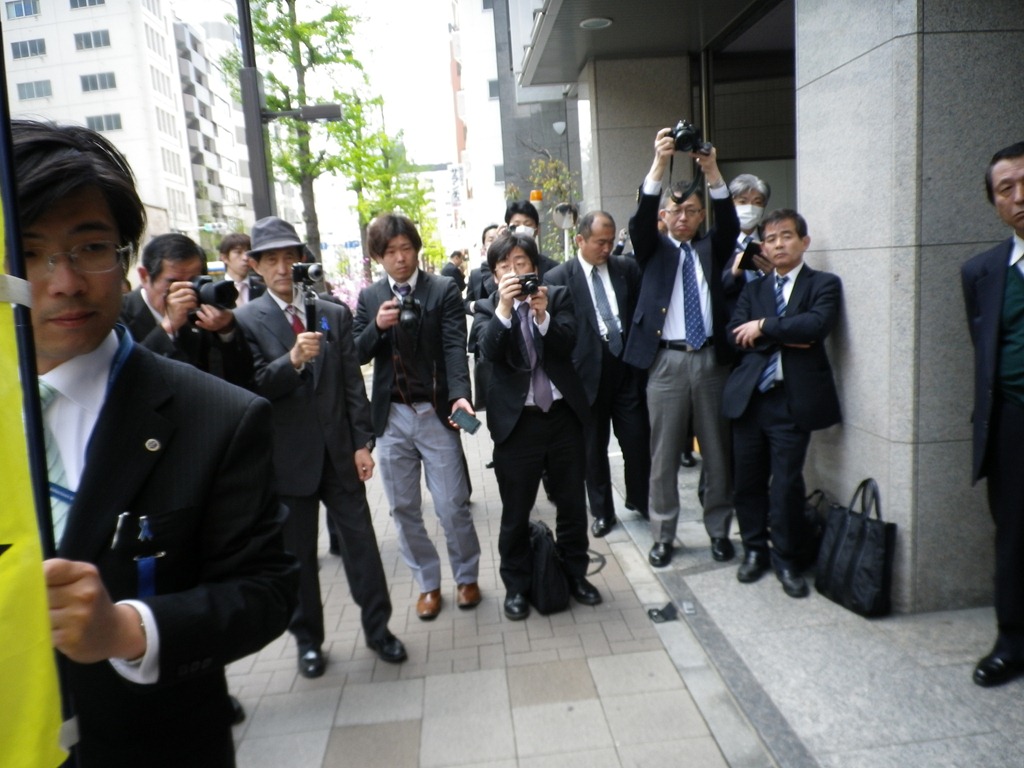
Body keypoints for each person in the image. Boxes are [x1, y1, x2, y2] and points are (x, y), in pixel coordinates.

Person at [16, 119, 298, 767]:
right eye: (28, 252)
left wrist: (126, 630)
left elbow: (266, 591)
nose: (64, 281)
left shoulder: (216, 417)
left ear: (124, 261)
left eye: (90, 247)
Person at [234, 217, 406, 677]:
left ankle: (379, 629)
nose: (281, 267)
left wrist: (363, 441)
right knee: (298, 558)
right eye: (271, 259)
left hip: (340, 452)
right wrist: (291, 360)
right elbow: (251, 388)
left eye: (289, 257)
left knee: (362, 547)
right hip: (288, 460)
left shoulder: (331, 312)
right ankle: (308, 641)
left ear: (301, 261)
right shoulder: (245, 321)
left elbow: (351, 383)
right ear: (256, 266)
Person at [354, 214, 482, 620]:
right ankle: (428, 583)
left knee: (452, 505)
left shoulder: (442, 289)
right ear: (378, 256)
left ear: (416, 249)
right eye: (390, 251)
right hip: (391, 418)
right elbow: (355, 353)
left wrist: (461, 397)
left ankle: (467, 576)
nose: (400, 258)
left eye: (406, 248)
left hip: (435, 412)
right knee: (403, 508)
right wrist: (377, 326)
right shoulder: (370, 297)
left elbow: (454, 347)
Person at [622, 126, 741, 567]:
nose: (684, 218)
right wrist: (660, 161)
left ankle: (719, 530)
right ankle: (663, 535)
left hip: (711, 361)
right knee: (664, 456)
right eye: (676, 211)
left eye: (692, 211)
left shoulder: (712, 248)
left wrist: (711, 170)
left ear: (700, 215)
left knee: (717, 452)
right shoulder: (652, 250)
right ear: (664, 217)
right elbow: (639, 220)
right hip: (666, 364)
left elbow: (731, 222)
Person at [474, 231, 602, 620]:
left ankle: (575, 573)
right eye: (504, 266)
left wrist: (542, 317)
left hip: (563, 417)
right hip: (517, 424)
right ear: (494, 275)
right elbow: (488, 350)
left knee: (571, 503)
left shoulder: (557, 296)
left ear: (535, 267)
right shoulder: (486, 308)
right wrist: (505, 308)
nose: (514, 272)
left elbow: (569, 342)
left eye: (521, 264)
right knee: (516, 510)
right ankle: (516, 585)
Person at [722, 209, 842, 598]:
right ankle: (754, 551)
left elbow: (816, 326)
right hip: (750, 400)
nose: (778, 245)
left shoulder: (823, 284)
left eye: (786, 236)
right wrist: (786, 334)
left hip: (792, 401)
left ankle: (787, 559)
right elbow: (733, 335)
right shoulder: (754, 290)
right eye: (770, 239)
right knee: (747, 482)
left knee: (787, 485)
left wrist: (763, 327)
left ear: (804, 242)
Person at [544, 211, 650, 537]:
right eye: (599, 242)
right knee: (593, 449)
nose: (606, 248)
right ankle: (603, 512)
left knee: (637, 440)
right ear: (580, 240)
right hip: (586, 374)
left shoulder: (626, 269)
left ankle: (640, 498)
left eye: (610, 241)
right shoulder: (559, 277)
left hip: (625, 368)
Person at [961, 141, 1024, 687]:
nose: (1020, 196)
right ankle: (1011, 640)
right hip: (1011, 423)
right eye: (1007, 189)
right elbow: (983, 349)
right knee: (1014, 533)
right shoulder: (980, 272)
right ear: (995, 202)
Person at [120, 233, 252, 387]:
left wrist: (226, 330)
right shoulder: (116, 314)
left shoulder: (200, 310)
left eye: (192, 281)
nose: (184, 292)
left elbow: (242, 377)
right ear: (144, 276)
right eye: (173, 283)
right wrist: (168, 328)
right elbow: (123, 379)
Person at [722, 174, 774, 317]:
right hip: (732, 320)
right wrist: (733, 273)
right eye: (743, 202)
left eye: (757, 202)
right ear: (731, 204)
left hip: (769, 319)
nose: (750, 208)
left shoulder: (773, 240)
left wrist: (775, 273)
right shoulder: (718, 241)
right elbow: (707, 288)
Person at [505, 200, 560, 275]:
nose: (522, 229)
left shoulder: (553, 268)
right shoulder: (496, 265)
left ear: (537, 230)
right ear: (508, 229)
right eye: (516, 225)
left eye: (527, 224)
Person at [218, 231, 263, 306]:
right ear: (224, 258)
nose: (245, 258)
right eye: (238, 252)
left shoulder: (263, 290)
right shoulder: (216, 290)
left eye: (248, 253)